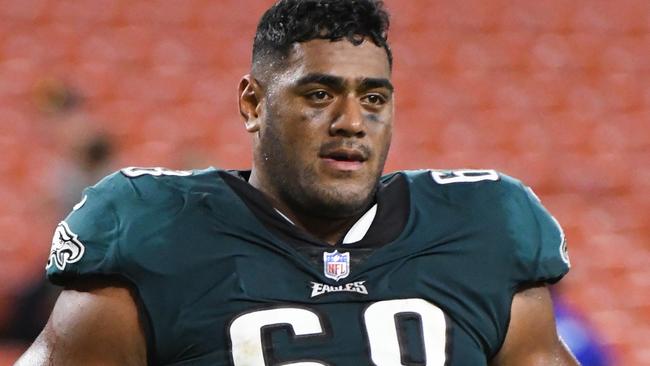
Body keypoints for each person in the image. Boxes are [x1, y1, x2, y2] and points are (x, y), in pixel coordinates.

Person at [17, 0, 578, 365]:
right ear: (252, 103)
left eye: (374, 98)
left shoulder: (481, 224)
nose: (352, 122)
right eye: (319, 94)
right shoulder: (153, 228)